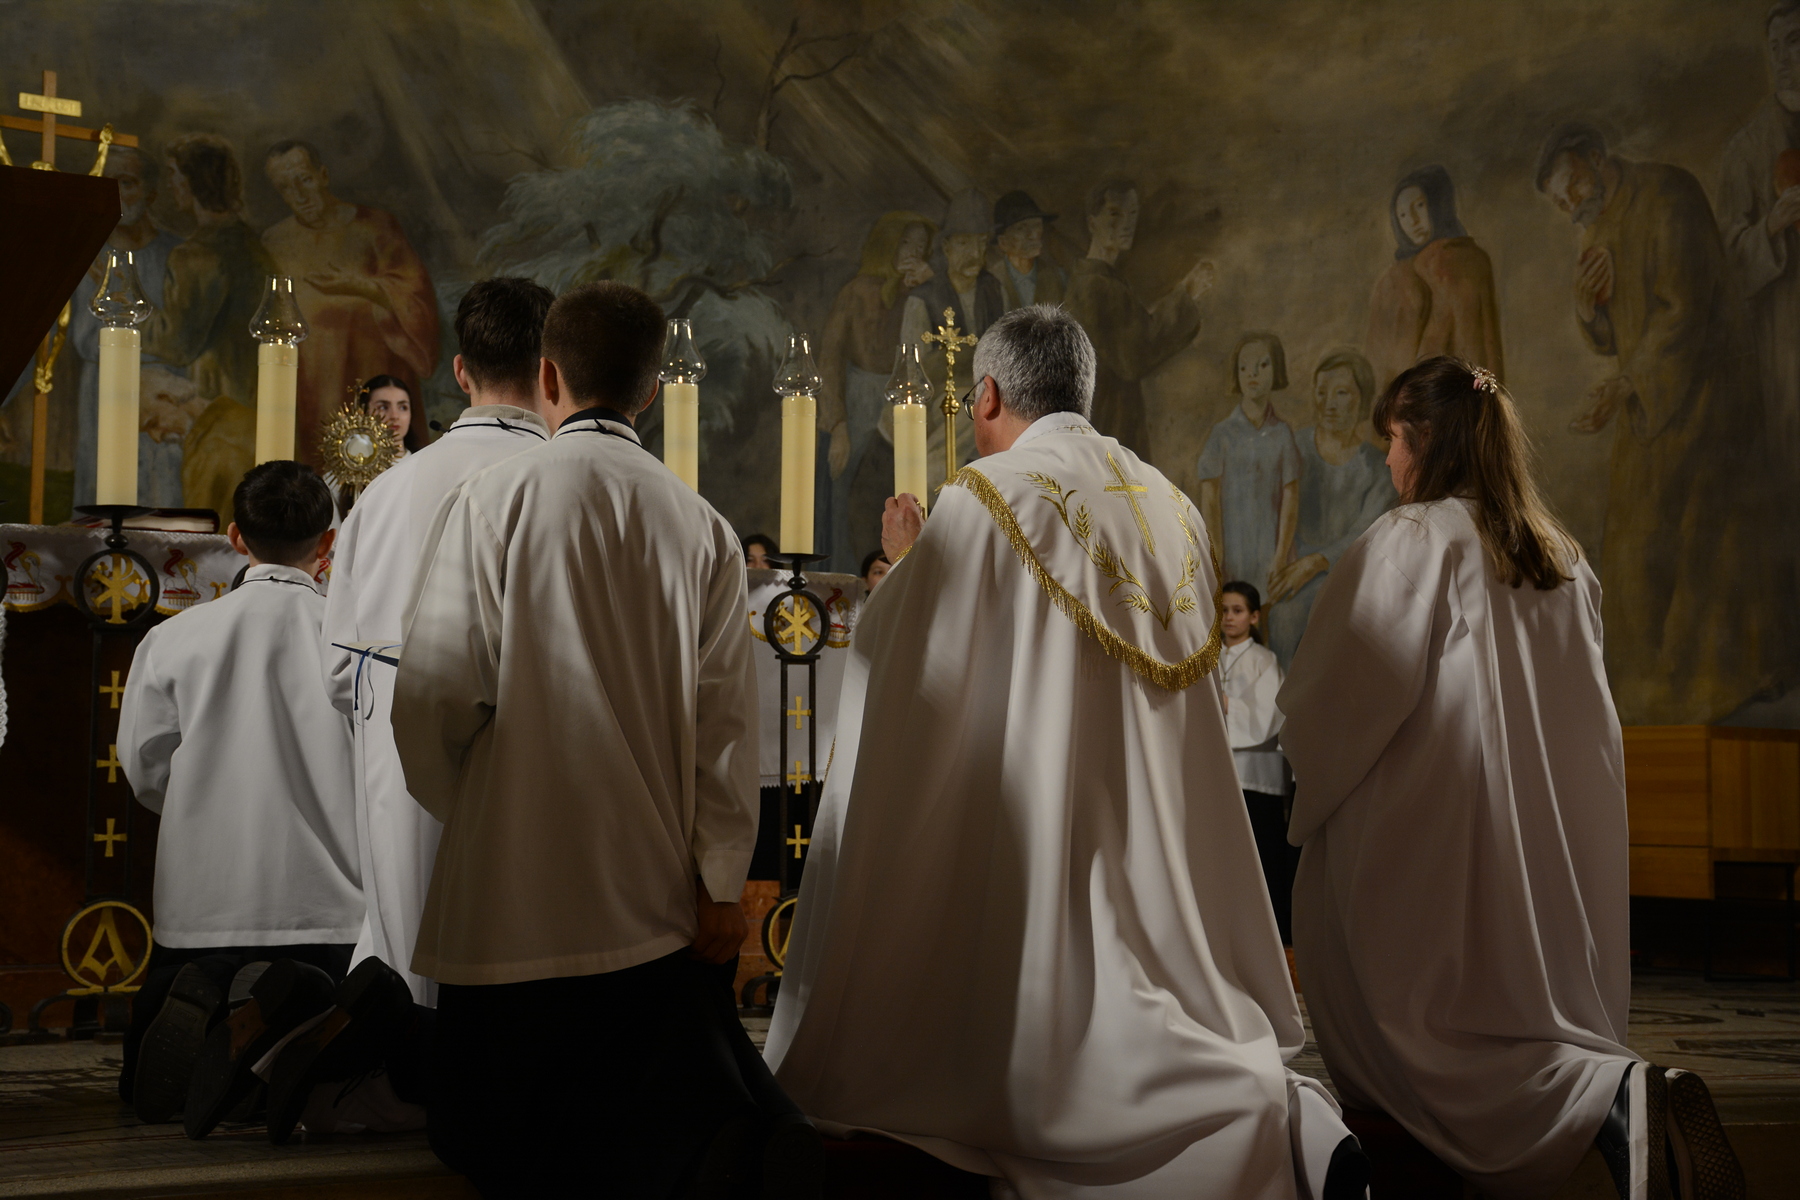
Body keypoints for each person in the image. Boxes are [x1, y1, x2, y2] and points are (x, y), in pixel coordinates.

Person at [767, 305, 1366, 1200]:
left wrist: (906, 561)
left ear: (988, 395)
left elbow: (908, 665)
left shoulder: (988, 494)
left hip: (1043, 844)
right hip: (1159, 860)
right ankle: (1266, 1111)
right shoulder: (1169, 502)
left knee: (1034, 1053)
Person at [1280, 356, 1744, 1200]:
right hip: (1545, 861)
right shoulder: (1560, 555)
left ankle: (1608, 1101)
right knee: (1524, 1021)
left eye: (1393, 439)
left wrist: (1303, 762)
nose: (1388, 460)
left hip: (1440, 847)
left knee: (1421, 1032)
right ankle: (1612, 1088)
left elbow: (1335, 707)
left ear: (1426, 440)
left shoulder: (1411, 540)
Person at [393, 281, 817, 1196]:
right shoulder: (700, 525)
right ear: (653, 391)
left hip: (509, 892)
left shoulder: (494, 498)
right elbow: (725, 729)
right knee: (634, 1137)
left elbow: (432, 695)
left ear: (546, 376)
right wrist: (720, 881)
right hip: (645, 900)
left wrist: (474, 806)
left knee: (489, 1138)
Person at [320, 278, 555, 1012]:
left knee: (408, 939)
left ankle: (405, 1054)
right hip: (542, 738)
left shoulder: (387, 489)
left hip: (398, 729)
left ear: (459, 370)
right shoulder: (572, 480)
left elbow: (339, 666)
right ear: (551, 370)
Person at [115, 461, 361, 1124]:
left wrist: (200, 809)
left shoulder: (173, 637)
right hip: (326, 902)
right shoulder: (352, 643)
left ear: (234, 537)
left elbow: (143, 766)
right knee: (344, 1010)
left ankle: (199, 1011)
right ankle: (286, 1053)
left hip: (206, 895)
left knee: (182, 975)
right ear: (328, 542)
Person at [1536, 121, 1790, 724]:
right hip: (1651, 398)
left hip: (1708, 395)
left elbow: (1685, 309)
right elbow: (1610, 334)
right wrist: (1587, 310)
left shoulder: (1669, 195)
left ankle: (1713, 689)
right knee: (1632, 544)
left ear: (1596, 157)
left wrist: (1626, 383)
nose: (1572, 205)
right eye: (1561, 201)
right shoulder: (1598, 227)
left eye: (1573, 186)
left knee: (1702, 538)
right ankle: (1646, 697)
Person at [261, 140, 440, 473]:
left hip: (373, 376)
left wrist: (362, 287)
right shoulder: (274, 243)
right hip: (313, 388)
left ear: (323, 175)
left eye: (304, 180)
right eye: (285, 188)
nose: (299, 195)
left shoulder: (376, 227)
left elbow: (416, 299)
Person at [145, 133, 279, 525]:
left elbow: (176, 344)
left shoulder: (197, 254)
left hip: (217, 407)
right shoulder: (252, 245)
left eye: (176, 175)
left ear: (194, 182)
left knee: (215, 522)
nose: (172, 185)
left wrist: (127, 312)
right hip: (257, 406)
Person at [1716, 2, 1800, 599]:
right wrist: (1771, 226)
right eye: (1777, 48)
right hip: (1787, 335)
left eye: (1795, 42)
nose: (1786, 59)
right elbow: (1725, 264)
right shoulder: (1747, 150)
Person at [1062, 177, 1216, 455]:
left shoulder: (1101, 280)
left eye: (1132, 214)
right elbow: (1135, 354)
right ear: (1092, 223)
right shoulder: (1095, 285)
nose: (1126, 224)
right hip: (1106, 423)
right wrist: (1187, 294)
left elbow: (1131, 329)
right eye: (1115, 214)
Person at [819, 211, 937, 572]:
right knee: (848, 490)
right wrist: (838, 424)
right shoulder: (857, 291)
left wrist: (931, 287)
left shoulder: (924, 292)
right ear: (887, 244)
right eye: (905, 243)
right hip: (859, 400)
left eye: (921, 246)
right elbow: (830, 357)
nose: (912, 252)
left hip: (908, 402)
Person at [70, 146, 187, 508]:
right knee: (102, 497)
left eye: (127, 182)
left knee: (163, 494)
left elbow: (183, 335)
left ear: (150, 192)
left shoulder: (178, 254)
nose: (116, 194)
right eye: (107, 184)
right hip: (103, 390)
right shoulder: (84, 250)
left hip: (162, 393)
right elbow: (79, 338)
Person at [1264, 351, 1397, 666]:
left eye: (1341, 393)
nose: (1329, 404)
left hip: (1349, 571)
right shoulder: (1293, 448)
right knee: (1284, 616)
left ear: (1362, 399)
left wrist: (1315, 563)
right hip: (1290, 564)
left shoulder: (1377, 468)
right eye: (1322, 393)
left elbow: (1365, 534)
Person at [1365, 165, 1504, 392]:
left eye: (1419, 206)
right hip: (1411, 400)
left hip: (1462, 395)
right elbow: (1381, 364)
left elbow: (1487, 343)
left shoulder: (1471, 262)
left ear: (1438, 205)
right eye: (1402, 214)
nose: (1412, 220)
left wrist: (1488, 398)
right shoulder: (1391, 282)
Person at [1197, 333, 1301, 600]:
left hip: (1270, 549)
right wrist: (1216, 551)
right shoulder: (1222, 434)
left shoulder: (1283, 434)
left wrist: (1281, 556)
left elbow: (1290, 495)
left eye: (1262, 365)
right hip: (1231, 549)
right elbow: (1210, 496)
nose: (1252, 374)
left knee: (1270, 611)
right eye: (1244, 367)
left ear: (1277, 371)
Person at [1217, 581, 1292, 943]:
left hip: (1255, 776)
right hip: (1218, 772)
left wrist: (1227, 705)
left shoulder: (1264, 660)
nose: (1229, 618)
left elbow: (1269, 713)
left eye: (1237, 610)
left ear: (1254, 617)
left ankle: (1272, 935)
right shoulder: (1207, 657)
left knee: (1263, 856)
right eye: (1223, 611)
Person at [986, 190, 1066, 311]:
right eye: (1021, 228)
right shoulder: (989, 282)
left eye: (1036, 225)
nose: (1032, 235)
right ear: (1003, 242)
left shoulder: (1058, 278)